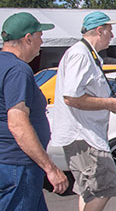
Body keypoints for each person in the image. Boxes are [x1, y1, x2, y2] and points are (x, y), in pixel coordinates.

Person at [51, 11, 116, 211]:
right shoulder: (81, 55)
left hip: (84, 135)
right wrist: (107, 103)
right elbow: (71, 97)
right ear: (100, 31)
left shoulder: (86, 54)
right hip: (84, 136)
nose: (112, 35)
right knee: (105, 188)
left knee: (89, 190)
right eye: (110, 30)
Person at [0, 12, 68, 210]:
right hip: (18, 166)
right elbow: (17, 123)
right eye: (40, 36)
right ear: (28, 38)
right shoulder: (17, 70)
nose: (42, 42)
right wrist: (51, 168)